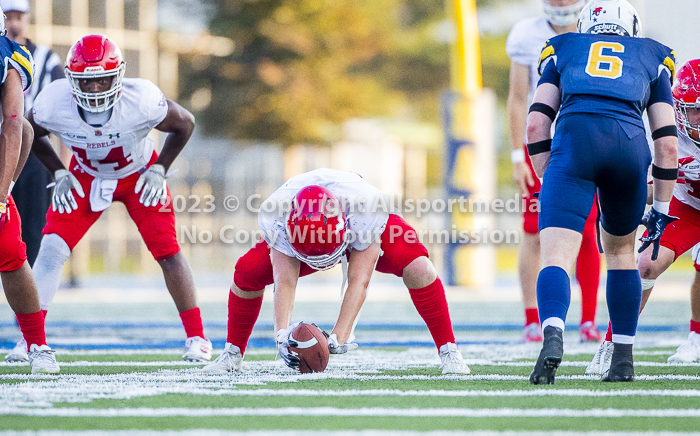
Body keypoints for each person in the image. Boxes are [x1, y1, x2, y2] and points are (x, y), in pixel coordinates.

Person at [5, 34, 213, 364]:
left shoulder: (141, 99)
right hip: (85, 175)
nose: (96, 89)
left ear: (118, 76)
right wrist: (59, 172)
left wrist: (160, 169)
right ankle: (31, 340)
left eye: (103, 80)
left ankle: (198, 338)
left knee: (168, 252)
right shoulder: (53, 102)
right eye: (87, 82)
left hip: (139, 174)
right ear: (72, 81)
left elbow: (185, 123)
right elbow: (30, 131)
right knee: (51, 250)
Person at [526, 0, 678, 384]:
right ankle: (623, 358)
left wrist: (552, 179)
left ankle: (554, 335)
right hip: (629, 147)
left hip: (574, 145)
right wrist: (659, 208)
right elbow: (667, 143)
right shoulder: (654, 56)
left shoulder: (562, 49)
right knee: (622, 254)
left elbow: (535, 125)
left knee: (556, 255)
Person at [202, 168, 470, 374]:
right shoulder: (276, 215)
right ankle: (232, 354)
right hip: (314, 237)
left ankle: (449, 351)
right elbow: (285, 281)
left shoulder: (366, 208)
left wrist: (337, 337)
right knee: (246, 272)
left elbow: (359, 282)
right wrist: (281, 336)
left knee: (420, 268)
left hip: (355, 229)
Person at [587, 60, 700, 372]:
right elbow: (648, 190)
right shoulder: (668, 135)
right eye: (696, 109)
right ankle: (613, 343)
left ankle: (697, 336)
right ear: (679, 107)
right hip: (686, 206)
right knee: (646, 263)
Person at [506, 0, 602, 343]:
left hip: (582, 143)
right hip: (541, 146)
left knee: (588, 232)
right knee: (534, 233)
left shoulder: (596, 31)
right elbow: (518, 99)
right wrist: (520, 155)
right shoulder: (526, 34)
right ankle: (532, 316)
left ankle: (588, 319)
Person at [1, 0, 71, 364]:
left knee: (18, 245)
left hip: (21, 159)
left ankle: (33, 340)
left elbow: (21, 125)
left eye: (17, 15)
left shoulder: (23, 58)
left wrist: (61, 166)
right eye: (7, 15)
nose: (13, 21)